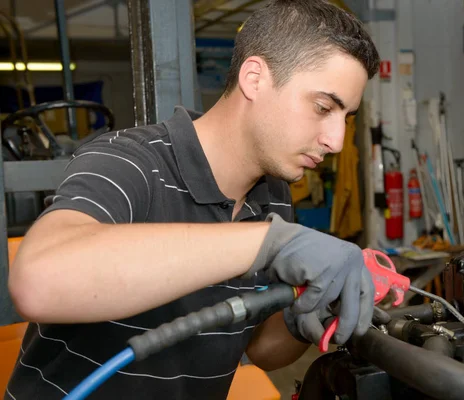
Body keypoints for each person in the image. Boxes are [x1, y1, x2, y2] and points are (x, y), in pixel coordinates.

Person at [5, 0, 380, 398]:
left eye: (346, 117)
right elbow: (38, 281)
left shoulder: (273, 195)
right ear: (254, 79)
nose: (336, 141)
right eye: (323, 107)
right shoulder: (129, 160)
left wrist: (306, 317)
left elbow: (259, 349)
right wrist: (268, 244)